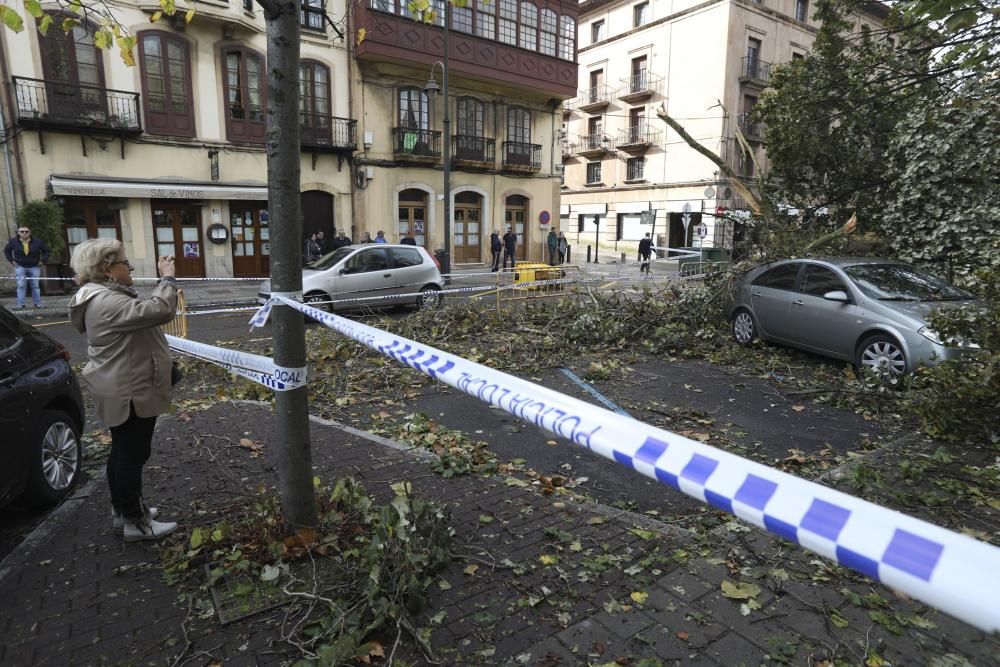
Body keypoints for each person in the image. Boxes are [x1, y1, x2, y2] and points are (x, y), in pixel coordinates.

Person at [67, 239, 179, 542]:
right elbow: (159, 310)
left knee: (121, 452)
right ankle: (135, 521)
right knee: (132, 455)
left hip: (119, 385)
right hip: (130, 391)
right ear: (108, 269)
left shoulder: (97, 295)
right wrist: (167, 277)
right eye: (124, 263)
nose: (129, 267)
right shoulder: (107, 301)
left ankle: (124, 511)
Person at [4, 225, 50, 309]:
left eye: (26, 231)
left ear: (30, 233)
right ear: (18, 233)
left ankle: (38, 304)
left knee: (35, 286)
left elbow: (46, 251)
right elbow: (7, 251)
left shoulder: (38, 242)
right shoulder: (13, 242)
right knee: (21, 285)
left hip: (35, 266)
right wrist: (12, 260)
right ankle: (20, 305)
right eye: (22, 231)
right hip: (20, 266)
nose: (24, 233)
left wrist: (42, 260)